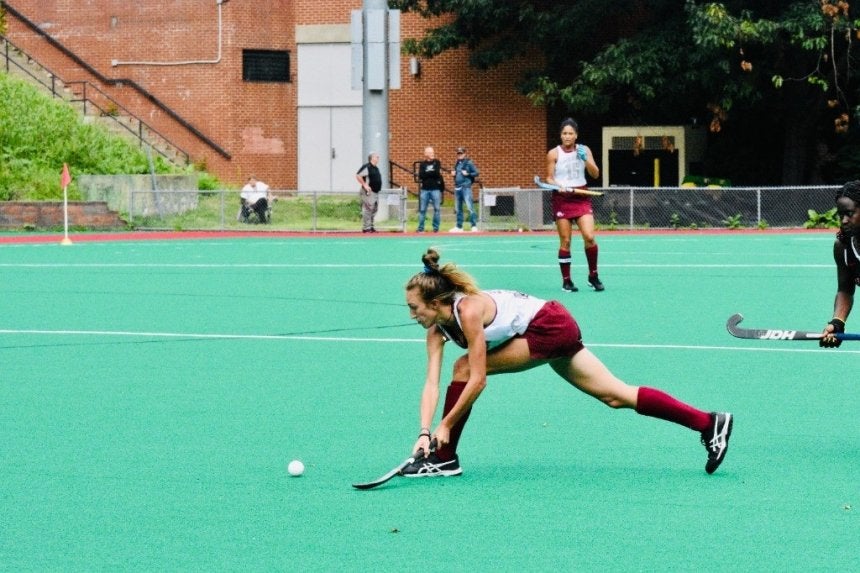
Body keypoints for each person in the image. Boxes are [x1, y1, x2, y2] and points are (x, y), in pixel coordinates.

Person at [401, 248, 733, 478]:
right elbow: (431, 382)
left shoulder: (468, 311)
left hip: (550, 326)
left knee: (464, 367)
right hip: (548, 325)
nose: (412, 315)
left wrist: (445, 427)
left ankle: (444, 460)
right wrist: (425, 430)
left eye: (415, 308)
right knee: (616, 396)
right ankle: (708, 422)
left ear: (436, 302)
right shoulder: (436, 330)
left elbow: (477, 378)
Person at [546, 117, 603, 292]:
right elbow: (549, 178)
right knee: (566, 241)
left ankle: (593, 276)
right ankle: (567, 281)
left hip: (581, 196)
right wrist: (559, 186)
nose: (567, 136)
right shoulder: (553, 153)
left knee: (589, 237)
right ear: (560, 135)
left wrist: (586, 160)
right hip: (562, 198)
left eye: (571, 133)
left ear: (576, 135)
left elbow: (595, 174)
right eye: (564, 133)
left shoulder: (584, 150)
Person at [820, 180, 860, 348]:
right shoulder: (842, 247)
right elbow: (845, 290)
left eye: (849, 213)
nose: (843, 220)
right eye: (840, 214)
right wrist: (837, 323)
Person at [449, 146, 480, 232]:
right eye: (458, 153)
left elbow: (476, 173)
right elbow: (457, 175)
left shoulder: (469, 163)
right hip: (457, 187)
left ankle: (473, 225)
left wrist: (468, 173)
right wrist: (453, 174)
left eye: (461, 153)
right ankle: (459, 226)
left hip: (466, 187)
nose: (459, 155)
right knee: (458, 208)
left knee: (470, 207)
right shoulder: (456, 163)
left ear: (464, 154)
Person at [416, 146, 444, 233]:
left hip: (435, 189)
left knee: (437, 209)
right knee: (422, 210)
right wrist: (430, 173)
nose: (432, 154)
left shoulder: (437, 162)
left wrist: (427, 173)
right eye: (430, 152)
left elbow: (436, 174)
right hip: (425, 190)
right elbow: (421, 176)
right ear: (426, 154)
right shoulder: (422, 164)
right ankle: (421, 228)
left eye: (433, 152)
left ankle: (436, 228)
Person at [355, 152, 382, 233]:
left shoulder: (376, 168)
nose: (378, 158)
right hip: (369, 192)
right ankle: (366, 227)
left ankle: (371, 226)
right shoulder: (367, 166)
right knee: (368, 209)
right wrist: (365, 185)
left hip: (375, 192)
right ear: (372, 158)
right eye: (376, 156)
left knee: (374, 209)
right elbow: (358, 175)